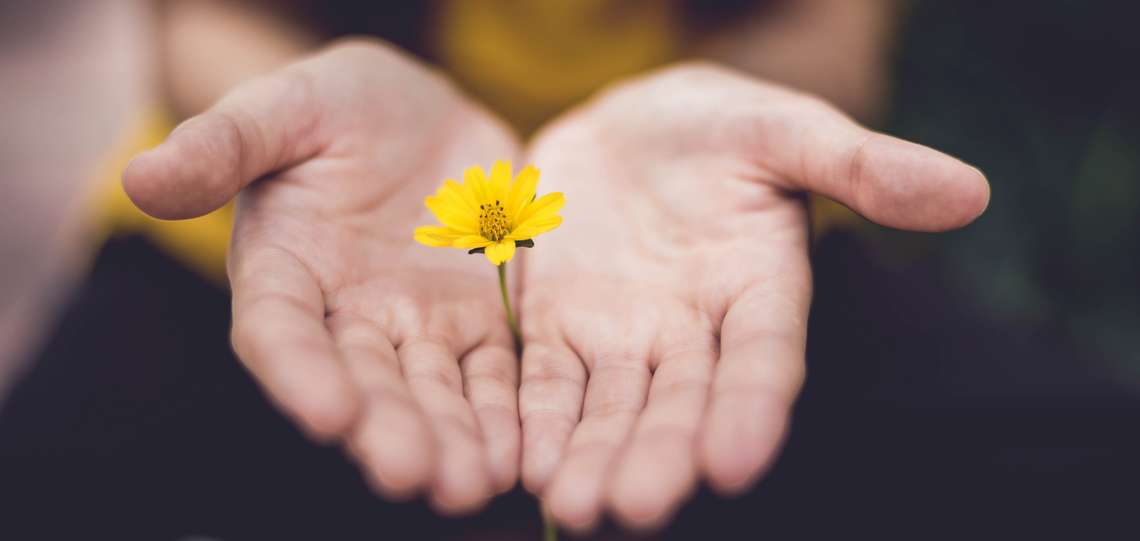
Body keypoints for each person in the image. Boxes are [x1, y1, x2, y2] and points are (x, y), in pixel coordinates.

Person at [119, 0, 989, 533]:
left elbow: (829, 33)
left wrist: (711, 119)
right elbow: (198, 15)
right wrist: (295, 105)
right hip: (315, 233)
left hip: (699, 242)